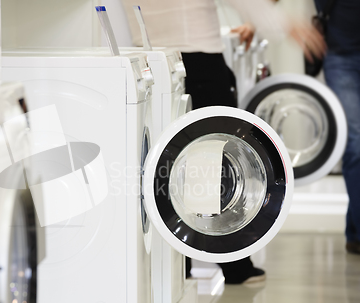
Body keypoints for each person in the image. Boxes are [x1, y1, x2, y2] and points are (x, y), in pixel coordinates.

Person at [122, 0, 325, 284]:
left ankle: (180, 264)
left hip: (151, 61)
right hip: (200, 59)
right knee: (220, 161)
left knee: (168, 164)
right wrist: (286, 24)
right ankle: (234, 264)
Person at [314, 0, 360, 254]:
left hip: (342, 53)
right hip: (341, 57)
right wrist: (255, 20)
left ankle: (354, 232)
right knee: (356, 145)